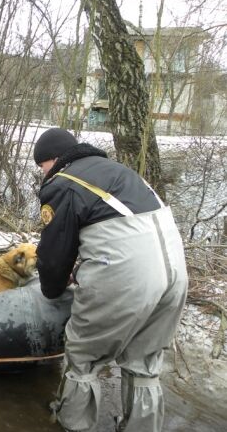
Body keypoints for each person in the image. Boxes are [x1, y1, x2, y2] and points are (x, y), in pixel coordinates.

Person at [33, 127, 188, 432]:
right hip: (174, 272)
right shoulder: (120, 172)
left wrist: (52, 289)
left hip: (128, 275)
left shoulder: (64, 183)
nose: (43, 174)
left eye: (42, 167)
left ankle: (71, 425)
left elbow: (54, 253)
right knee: (144, 363)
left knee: (83, 355)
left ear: (53, 160)